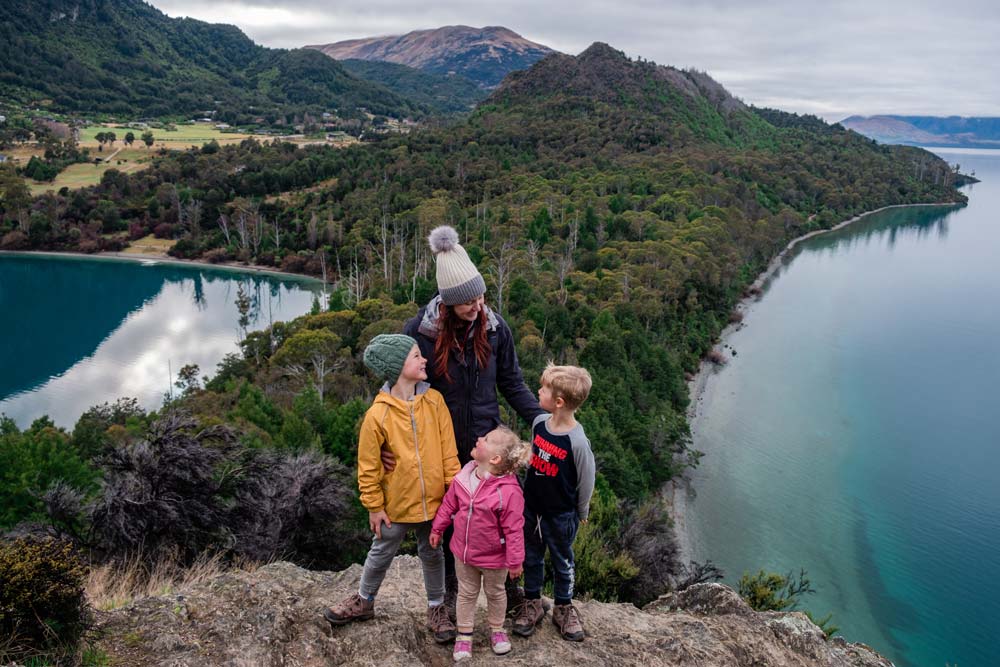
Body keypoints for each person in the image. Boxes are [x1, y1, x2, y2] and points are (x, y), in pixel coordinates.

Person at [392, 225, 543, 609]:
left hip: (487, 446)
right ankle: (446, 602)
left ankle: (511, 595)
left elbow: (512, 383)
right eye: (468, 302)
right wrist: (387, 447)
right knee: (446, 522)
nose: (478, 306)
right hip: (437, 448)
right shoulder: (419, 333)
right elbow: (397, 393)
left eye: (480, 297)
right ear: (447, 302)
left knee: (504, 521)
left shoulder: (495, 329)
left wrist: (544, 424)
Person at [322, 334, 460, 644]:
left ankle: (436, 609)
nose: (424, 360)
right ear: (397, 367)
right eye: (415, 356)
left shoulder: (434, 402)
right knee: (381, 549)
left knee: (432, 553)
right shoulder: (377, 415)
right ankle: (364, 600)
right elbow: (368, 467)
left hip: (436, 503)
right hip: (396, 504)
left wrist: (455, 496)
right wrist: (374, 505)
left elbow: (449, 454)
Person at [429, 427, 531, 661]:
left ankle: (497, 629)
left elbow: (514, 530)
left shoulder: (509, 492)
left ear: (494, 459)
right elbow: (448, 505)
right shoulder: (464, 477)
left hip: (495, 559)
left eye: (486, 439)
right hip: (463, 555)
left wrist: (515, 561)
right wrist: (437, 528)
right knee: (466, 593)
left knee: (495, 593)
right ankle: (464, 635)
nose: (478, 438)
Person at [513, 363, 596, 642]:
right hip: (532, 509)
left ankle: (563, 606)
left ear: (558, 402)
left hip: (561, 515)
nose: (538, 390)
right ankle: (533, 602)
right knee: (532, 559)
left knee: (563, 562)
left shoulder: (577, 442)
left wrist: (581, 511)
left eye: (544, 388)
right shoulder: (539, 424)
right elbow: (536, 459)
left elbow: (586, 480)